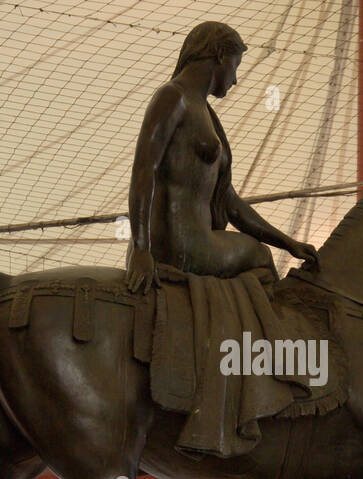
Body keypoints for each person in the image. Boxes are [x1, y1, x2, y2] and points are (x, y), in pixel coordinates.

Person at [125, 21, 318, 293]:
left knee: (261, 250)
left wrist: (289, 243)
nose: (235, 79)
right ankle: (266, 332)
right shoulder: (173, 97)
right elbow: (145, 170)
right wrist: (142, 251)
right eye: (235, 65)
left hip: (181, 243)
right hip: (181, 246)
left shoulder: (202, 111)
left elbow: (229, 203)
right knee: (260, 256)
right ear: (218, 56)